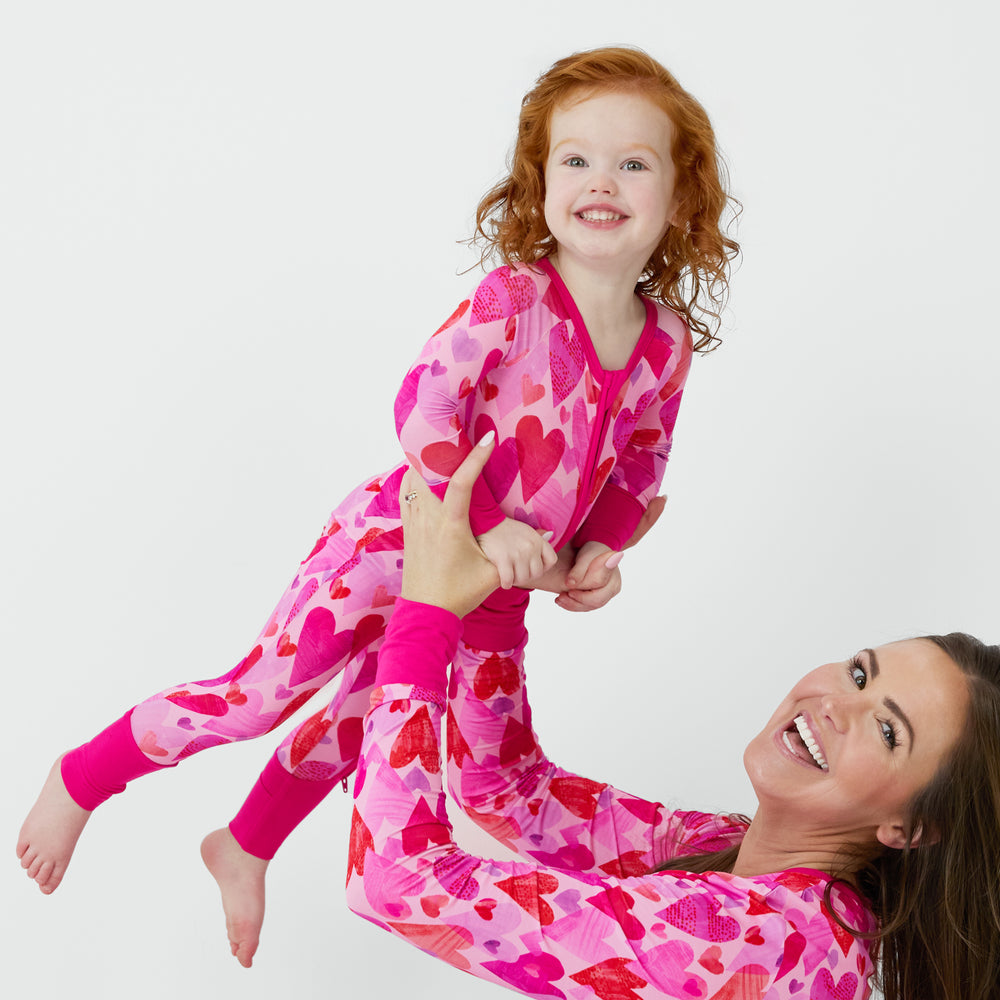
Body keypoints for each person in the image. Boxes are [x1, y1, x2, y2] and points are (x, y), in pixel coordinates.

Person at [17, 46, 739, 967]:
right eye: (576, 160)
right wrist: (486, 527)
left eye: (633, 162)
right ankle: (81, 778)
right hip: (399, 538)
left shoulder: (663, 343)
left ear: (680, 198)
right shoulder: (516, 299)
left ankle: (243, 845)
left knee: (379, 721)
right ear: (540, 183)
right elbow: (422, 407)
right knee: (256, 698)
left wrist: (596, 552)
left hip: (496, 588)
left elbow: (641, 463)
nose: (602, 181)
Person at [347, 438, 1000, 1000]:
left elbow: (399, 884)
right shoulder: (736, 857)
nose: (835, 704)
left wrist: (426, 615)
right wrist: (502, 586)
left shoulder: (769, 942)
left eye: (888, 731)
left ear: (909, 827)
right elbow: (516, 796)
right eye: (860, 673)